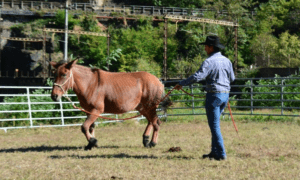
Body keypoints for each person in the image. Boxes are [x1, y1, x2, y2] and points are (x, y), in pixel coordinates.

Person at [174, 35, 235, 160]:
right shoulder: (227, 61)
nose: (205, 49)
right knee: (215, 125)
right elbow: (232, 78)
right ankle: (214, 152)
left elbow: (197, 77)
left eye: (206, 46)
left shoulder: (209, 62)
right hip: (225, 95)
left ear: (211, 47)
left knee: (214, 126)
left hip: (213, 95)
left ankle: (222, 154)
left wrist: (182, 83)